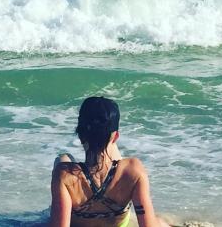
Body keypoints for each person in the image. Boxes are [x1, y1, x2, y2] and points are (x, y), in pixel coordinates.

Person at [49, 96, 170, 227]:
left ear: (80, 134)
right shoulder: (134, 170)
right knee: (115, 158)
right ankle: (107, 146)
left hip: (78, 222)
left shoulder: (63, 175)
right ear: (116, 136)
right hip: (117, 222)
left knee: (62, 159)